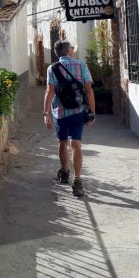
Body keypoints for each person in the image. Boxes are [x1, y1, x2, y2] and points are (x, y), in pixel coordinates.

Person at [43, 40, 96, 197]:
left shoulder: (52, 68)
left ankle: (65, 172)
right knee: (76, 145)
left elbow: (49, 91)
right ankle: (77, 180)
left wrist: (46, 114)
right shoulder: (81, 65)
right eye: (72, 47)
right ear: (69, 51)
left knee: (62, 142)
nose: (73, 49)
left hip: (60, 112)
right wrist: (92, 112)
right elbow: (89, 90)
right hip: (78, 110)